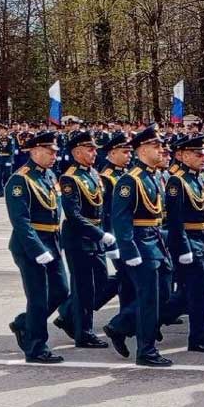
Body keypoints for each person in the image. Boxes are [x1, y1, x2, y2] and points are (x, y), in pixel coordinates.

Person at [102, 124, 174, 367]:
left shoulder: (151, 176)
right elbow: (120, 218)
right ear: (142, 149)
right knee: (149, 297)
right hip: (141, 243)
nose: (161, 150)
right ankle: (146, 350)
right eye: (156, 146)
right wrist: (128, 250)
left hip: (156, 240)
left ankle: (119, 326)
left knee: (164, 292)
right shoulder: (129, 180)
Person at [5, 131, 70, 363]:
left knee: (61, 290)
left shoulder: (49, 175)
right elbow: (20, 221)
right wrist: (37, 249)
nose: (54, 155)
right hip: (30, 245)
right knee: (38, 297)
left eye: (55, 151)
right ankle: (36, 347)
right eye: (49, 151)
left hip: (52, 241)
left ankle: (25, 323)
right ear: (34, 151)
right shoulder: (20, 180)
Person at [57, 130, 116, 349]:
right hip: (79, 238)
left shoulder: (93, 173)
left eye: (94, 149)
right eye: (89, 149)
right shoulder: (70, 178)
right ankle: (84, 333)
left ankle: (68, 316)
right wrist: (99, 234)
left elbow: (101, 209)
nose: (94, 153)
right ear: (77, 152)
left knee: (101, 283)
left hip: (95, 237)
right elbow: (74, 214)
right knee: (83, 288)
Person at [163, 134, 204, 353]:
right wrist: (184, 247)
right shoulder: (177, 181)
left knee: (193, 293)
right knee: (198, 294)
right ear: (184, 155)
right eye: (198, 155)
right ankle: (199, 338)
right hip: (189, 241)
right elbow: (176, 219)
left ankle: (127, 324)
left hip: (203, 239)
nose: (203, 158)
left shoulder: (200, 178)